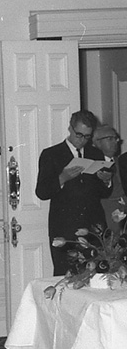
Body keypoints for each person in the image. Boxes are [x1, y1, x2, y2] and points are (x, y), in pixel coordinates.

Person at [36, 109, 113, 276]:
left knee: (98, 275)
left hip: (94, 226)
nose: (82, 140)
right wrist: (62, 177)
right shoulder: (51, 154)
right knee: (67, 276)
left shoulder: (95, 153)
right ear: (70, 129)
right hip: (65, 226)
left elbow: (103, 193)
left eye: (87, 136)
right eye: (79, 135)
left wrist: (105, 180)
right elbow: (41, 192)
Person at [92, 125, 126, 234]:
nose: (115, 141)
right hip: (104, 218)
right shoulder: (92, 165)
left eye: (116, 138)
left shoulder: (121, 162)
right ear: (97, 142)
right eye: (110, 139)